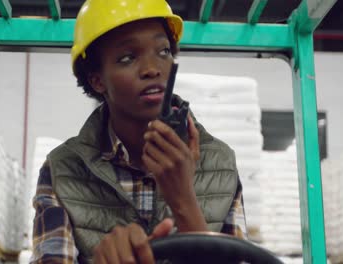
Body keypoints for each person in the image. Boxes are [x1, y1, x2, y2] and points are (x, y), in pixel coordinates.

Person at [31, 0, 247, 263]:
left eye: (164, 51)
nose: (152, 69)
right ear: (97, 80)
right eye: (128, 57)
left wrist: (185, 203)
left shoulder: (220, 163)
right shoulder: (62, 169)